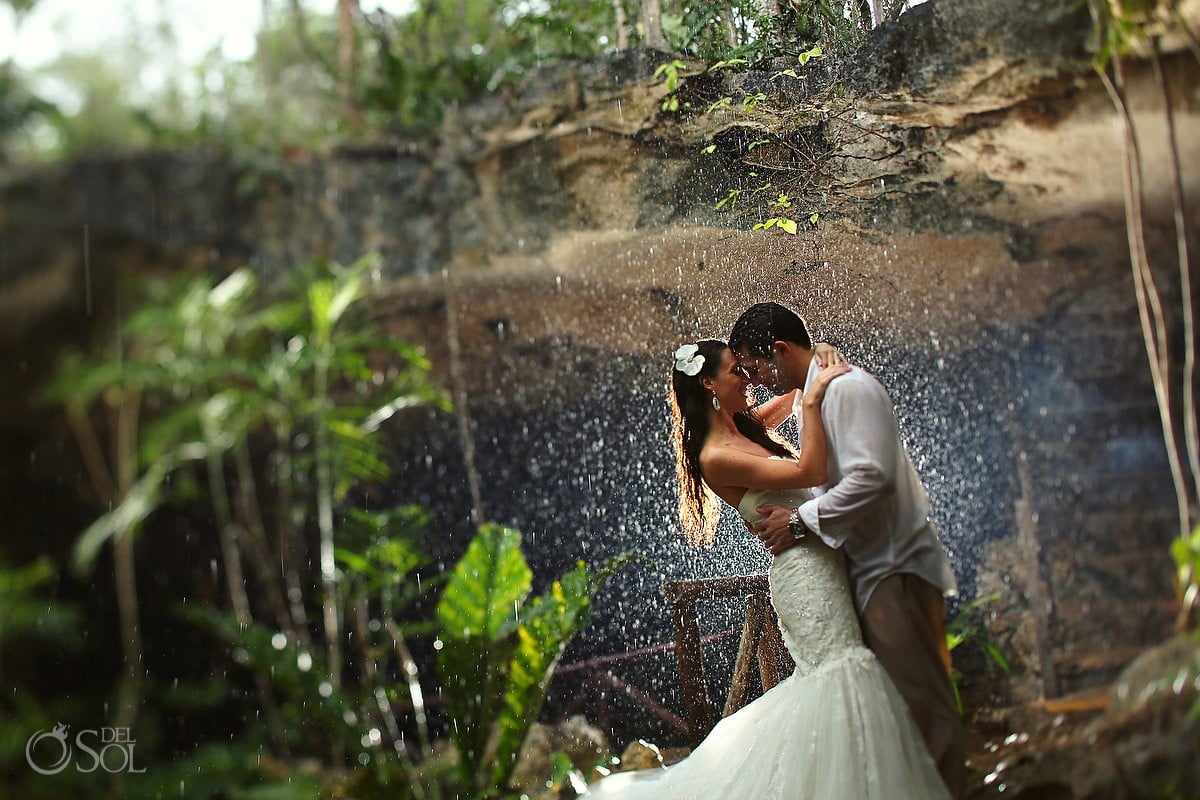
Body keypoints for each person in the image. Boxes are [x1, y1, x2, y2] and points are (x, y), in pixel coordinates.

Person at [584, 338, 950, 800]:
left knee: (838, 679)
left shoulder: (745, 426)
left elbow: (791, 384)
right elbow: (810, 470)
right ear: (710, 384)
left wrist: (820, 354)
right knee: (841, 673)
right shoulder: (716, 455)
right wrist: (815, 399)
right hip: (804, 574)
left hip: (824, 559)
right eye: (738, 371)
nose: (750, 378)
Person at [728, 302, 965, 799]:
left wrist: (801, 519)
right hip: (871, 568)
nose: (753, 381)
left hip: (894, 567)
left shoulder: (848, 389)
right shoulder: (812, 394)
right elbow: (746, 421)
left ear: (779, 351)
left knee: (922, 702)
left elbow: (871, 478)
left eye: (753, 368)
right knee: (900, 705)